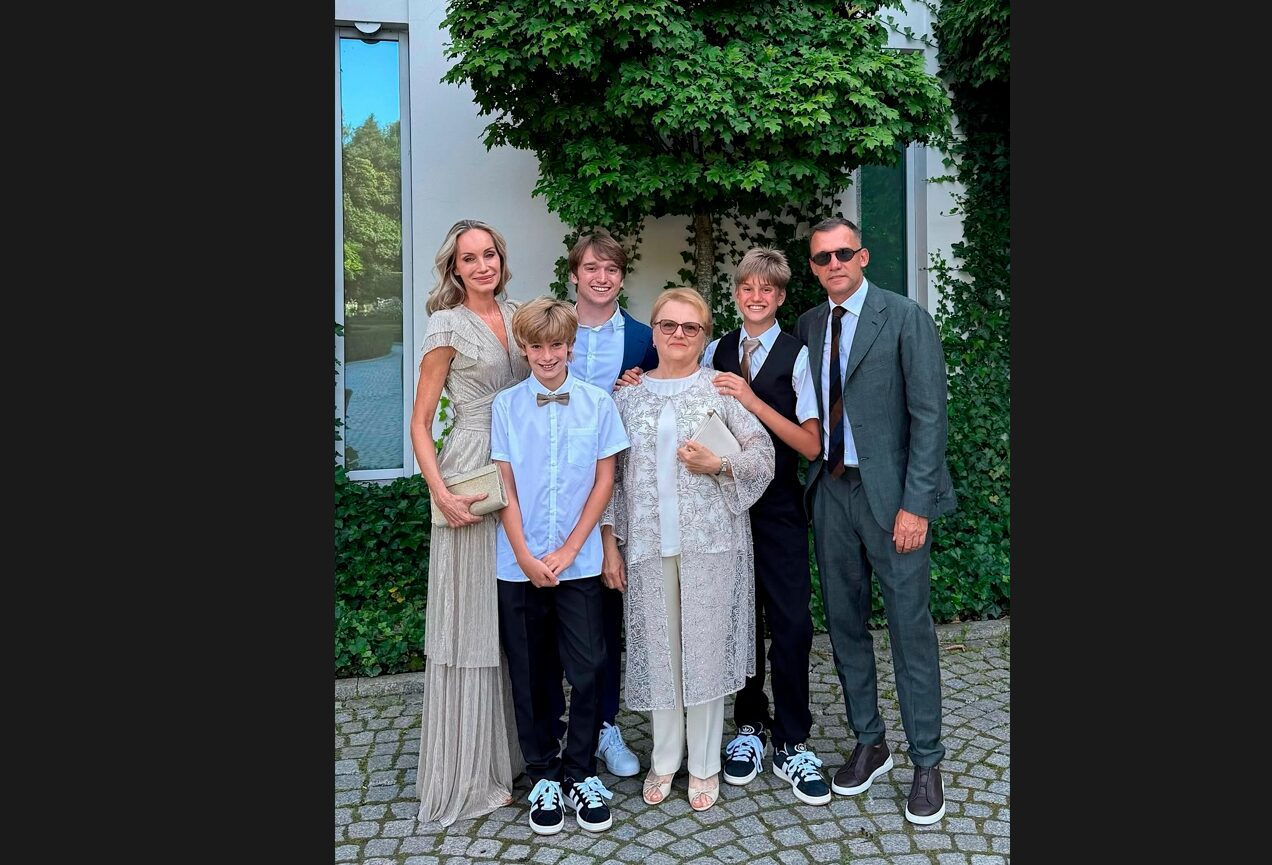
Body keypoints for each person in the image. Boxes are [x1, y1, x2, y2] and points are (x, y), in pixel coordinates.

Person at [793, 217, 958, 825]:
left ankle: (927, 761)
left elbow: (930, 417)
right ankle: (870, 740)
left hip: (893, 499)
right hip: (831, 491)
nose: (833, 264)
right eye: (822, 258)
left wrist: (917, 505)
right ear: (813, 267)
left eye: (843, 253)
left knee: (910, 629)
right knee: (844, 623)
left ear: (862, 256)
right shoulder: (811, 325)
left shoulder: (905, 317)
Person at [600, 287, 775, 813]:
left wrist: (718, 465)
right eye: (668, 325)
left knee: (703, 653)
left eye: (690, 327)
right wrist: (610, 544)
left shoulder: (720, 390)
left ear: (704, 336)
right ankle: (664, 758)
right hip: (647, 546)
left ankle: (703, 763)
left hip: (711, 545)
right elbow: (610, 479)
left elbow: (763, 455)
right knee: (661, 654)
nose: (678, 334)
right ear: (653, 333)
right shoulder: (627, 397)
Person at [490, 297, 632, 835]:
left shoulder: (598, 404)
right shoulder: (506, 406)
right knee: (531, 672)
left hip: (581, 562)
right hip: (519, 562)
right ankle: (544, 774)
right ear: (523, 349)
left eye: (556, 345)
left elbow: (604, 481)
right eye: (536, 347)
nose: (547, 355)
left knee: (591, 666)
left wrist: (572, 550)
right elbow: (504, 484)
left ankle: (580, 771)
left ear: (570, 346)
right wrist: (526, 555)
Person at [409, 219, 528, 827]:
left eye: (490, 255)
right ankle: (467, 769)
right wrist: (441, 492)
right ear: (454, 269)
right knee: (471, 618)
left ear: (500, 260)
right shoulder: (446, 325)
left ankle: (508, 753)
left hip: (520, 466)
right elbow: (420, 421)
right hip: (471, 475)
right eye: (470, 258)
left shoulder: (517, 315)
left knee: (510, 616)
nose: (482, 266)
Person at [702, 248, 830, 806]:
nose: (756, 297)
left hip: (778, 508)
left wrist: (753, 400)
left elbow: (811, 444)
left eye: (767, 290)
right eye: (747, 288)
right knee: (739, 619)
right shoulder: (715, 349)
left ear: (780, 297)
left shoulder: (797, 356)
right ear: (736, 293)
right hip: (725, 504)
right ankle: (750, 727)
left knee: (792, 622)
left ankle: (794, 739)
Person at [534, 230, 656, 780]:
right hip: (547, 485)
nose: (601, 278)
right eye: (591, 268)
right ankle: (544, 729)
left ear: (622, 277)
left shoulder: (644, 339)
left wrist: (640, 384)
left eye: (611, 269)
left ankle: (603, 724)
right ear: (574, 274)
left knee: (603, 613)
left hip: (616, 484)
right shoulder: (548, 332)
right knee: (542, 611)